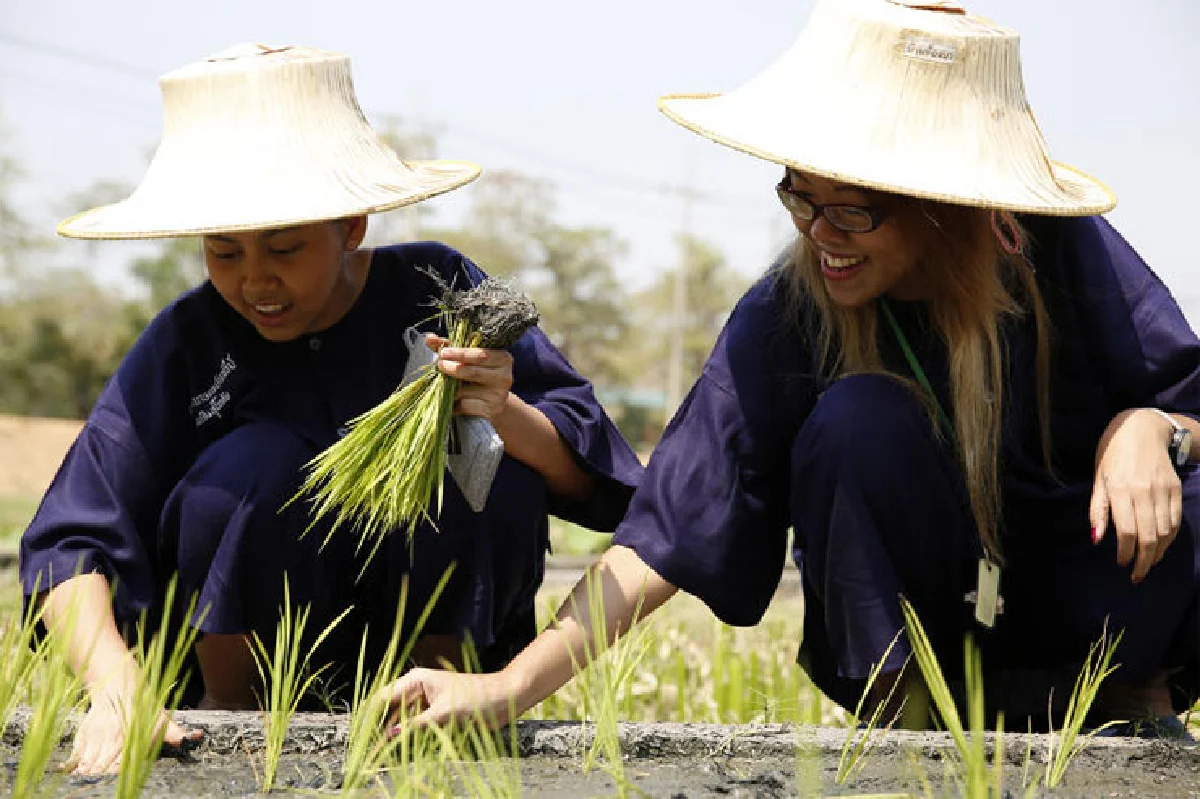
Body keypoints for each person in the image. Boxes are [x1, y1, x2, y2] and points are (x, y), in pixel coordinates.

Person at [384, 0, 1200, 739]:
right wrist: (508, 687)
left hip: (1085, 615)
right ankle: (905, 731)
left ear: (946, 207)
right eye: (799, 198)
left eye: (851, 211)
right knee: (860, 421)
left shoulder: (1053, 249)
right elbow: (662, 533)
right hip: (933, 635)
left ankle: (1137, 705)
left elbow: (1187, 400)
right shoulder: (790, 309)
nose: (819, 234)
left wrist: (1151, 427)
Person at [19, 43, 643, 776]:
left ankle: (437, 720)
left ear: (352, 226)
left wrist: (502, 411)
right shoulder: (189, 339)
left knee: (485, 465)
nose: (256, 282)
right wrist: (114, 684)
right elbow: (71, 538)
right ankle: (231, 726)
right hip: (245, 679)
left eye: (285, 249)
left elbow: (592, 480)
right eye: (224, 252)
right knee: (254, 464)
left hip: (448, 666)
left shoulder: (439, 290)